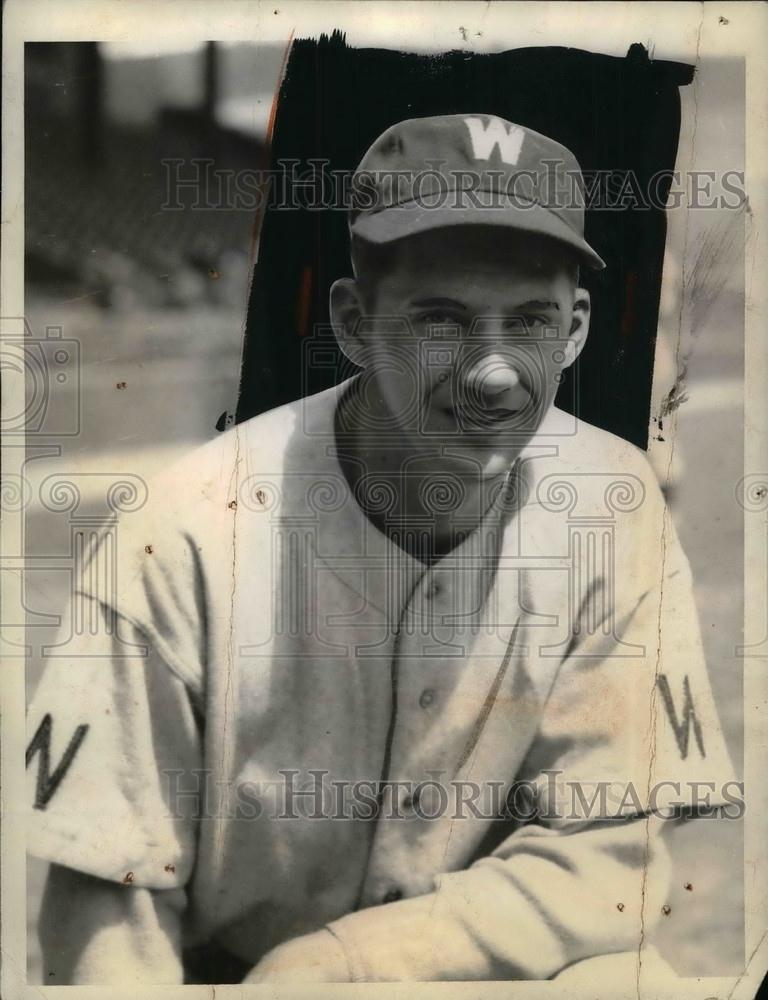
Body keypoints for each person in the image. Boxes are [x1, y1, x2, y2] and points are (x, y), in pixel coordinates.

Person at [27, 114, 738, 985]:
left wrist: (344, 961)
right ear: (355, 323)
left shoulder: (614, 506)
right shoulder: (179, 539)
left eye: (530, 322)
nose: (494, 373)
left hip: (473, 963)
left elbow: (608, 861)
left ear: (578, 328)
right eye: (441, 320)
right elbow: (109, 909)